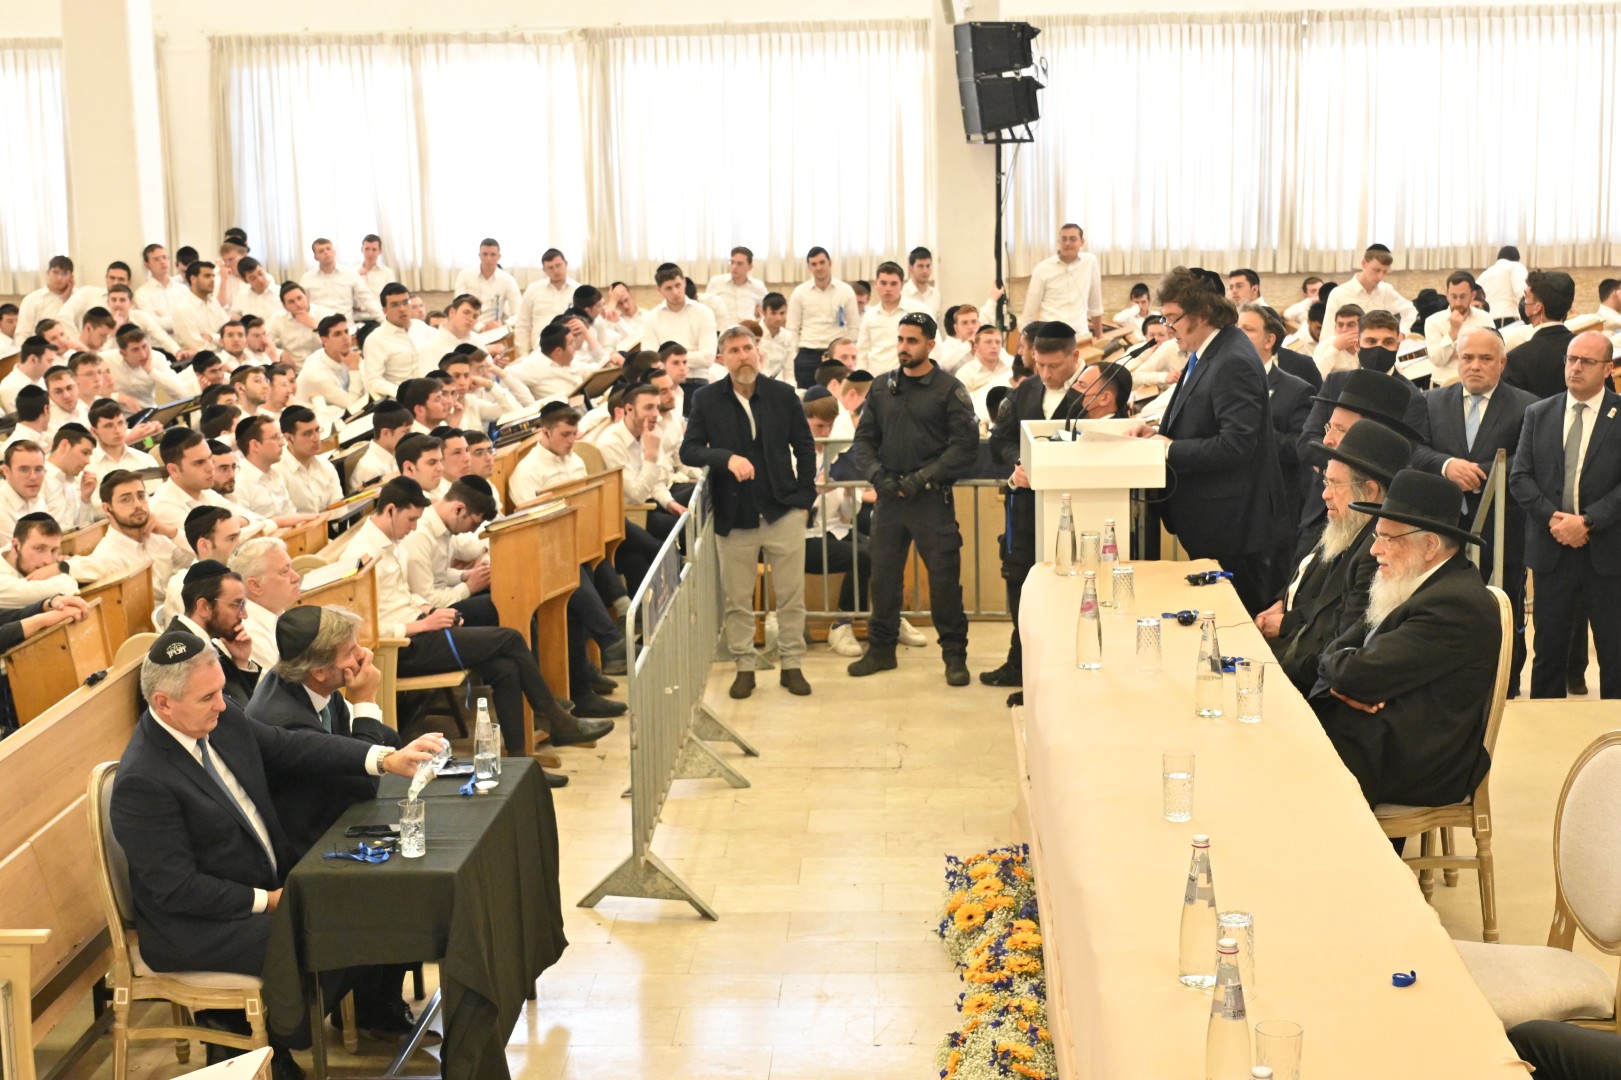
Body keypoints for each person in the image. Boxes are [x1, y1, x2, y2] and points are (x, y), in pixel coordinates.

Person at [111, 629, 444, 1079]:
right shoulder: (143, 779)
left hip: (264, 883)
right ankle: (262, 1042)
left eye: (221, 691)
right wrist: (267, 901)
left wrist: (383, 758)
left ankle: (271, 1030)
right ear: (163, 703)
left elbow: (293, 746)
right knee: (321, 932)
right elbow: (176, 890)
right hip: (195, 924)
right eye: (208, 697)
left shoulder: (221, 718)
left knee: (372, 899)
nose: (222, 705)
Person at [344, 477, 610, 777]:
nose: (414, 528)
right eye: (411, 519)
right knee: (510, 638)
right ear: (391, 510)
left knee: (504, 668)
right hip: (403, 648)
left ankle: (519, 764)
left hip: (423, 627)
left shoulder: (393, 542)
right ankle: (555, 718)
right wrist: (421, 624)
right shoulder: (361, 554)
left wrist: (432, 611)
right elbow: (364, 629)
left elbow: (405, 595)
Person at [1310, 469, 1499, 809]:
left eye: (1387, 538)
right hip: (1382, 736)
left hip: (1415, 761)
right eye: (1376, 536)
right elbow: (1338, 651)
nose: (1374, 550)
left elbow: (1355, 674)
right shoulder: (1412, 579)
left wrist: (1344, 677)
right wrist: (1341, 678)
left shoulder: (1454, 604)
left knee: (1290, 762)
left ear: (1430, 545)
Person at [1128, 267, 1288, 615]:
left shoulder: (1232, 360)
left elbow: (1236, 445)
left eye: (1173, 318)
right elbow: (1199, 422)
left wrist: (1168, 449)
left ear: (1201, 313)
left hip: (1233, 524)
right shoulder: (1210, 352)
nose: (1169, 328)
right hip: (1215, 519)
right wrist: (1157, 435)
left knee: (1239, 622)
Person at [680, 326, 817, 699]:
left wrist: (804, 499)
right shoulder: (707, 399)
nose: (743, 356)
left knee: (791, 596)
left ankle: (792, 664)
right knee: (737, 600)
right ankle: (744, 665)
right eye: (734, 350)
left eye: (747, 348)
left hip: (783, 509)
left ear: (758, 351)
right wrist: (726, 458)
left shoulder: (783, 395)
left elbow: (805, 447)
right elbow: (689, 450)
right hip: (734, 514)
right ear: (722, 358)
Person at [847, 312, 978, 684]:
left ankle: (954, 657)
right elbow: (863, 441)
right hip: (889, 499)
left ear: (930, 345)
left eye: (912, 341)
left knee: (944, 582)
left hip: (931, 500)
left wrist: (923, 478)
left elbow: (964, 447)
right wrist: (878, 477)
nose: (903, 347)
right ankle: (881, 650)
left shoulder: (949, 390)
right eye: (901, 339)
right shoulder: (881, 387)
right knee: (883, 579)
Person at [1410, 328, 1537, 696]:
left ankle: (1505, 685)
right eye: (1468, 358)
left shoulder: (1528, 406)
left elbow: (1531, 460)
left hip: (1503, 531)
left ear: (1502, 363)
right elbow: (1415, 450)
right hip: (1444, 529)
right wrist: (1447, 465)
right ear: (1457, 360)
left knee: (1502, 610)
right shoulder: (1432, 401)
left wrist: (1481, 473)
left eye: (1485, 359)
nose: (1475, 366)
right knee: (1443, 609)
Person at [1256, 420, 1410, 694]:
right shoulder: (1347, 529)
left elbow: (1339, 644)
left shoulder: (1375, 552)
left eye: (1336, 484)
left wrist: (1271, 671)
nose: (1325, 494)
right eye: (1326, 481)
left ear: (1371, 491)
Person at [1509, 331, 1621, 699]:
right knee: (1548, 653)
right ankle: (1547, 728)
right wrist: (1556, 521)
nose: (1575, 368)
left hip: (1607, 552)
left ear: (1607, 368)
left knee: (1615, 654)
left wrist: (1587, 521)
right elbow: (1520, 477)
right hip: (1552, 550)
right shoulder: (1539, 413)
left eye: (1587, 362)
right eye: (1571, 359)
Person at [980, 323, 1087, 701]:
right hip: (1026, 507)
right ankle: (1021, 661)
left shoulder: (1093, 391)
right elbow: (1000, 440)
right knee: (1021, 584)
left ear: (1075, 356)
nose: (1045, 373)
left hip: (1077, 509)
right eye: (1039, 364)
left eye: (1054, 365)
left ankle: (1057, 672)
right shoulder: (1025, 390)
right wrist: (1019, 462)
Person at [1295, 313, 1432, 562]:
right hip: (1319, 508)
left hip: (1371, 513)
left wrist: (1335, 462)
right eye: (1371, 341)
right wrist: (1339, 468)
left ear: (1399, 343)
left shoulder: (1409, 397)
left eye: (1387, 342)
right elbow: (1307, 443)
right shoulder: (1336, 382)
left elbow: (1402, 458)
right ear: (1357, 344)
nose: (1379, 349)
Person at [1237, 303, 1315, 592]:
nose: (1238, 335)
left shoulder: (1296, 390)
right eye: (1236, 328)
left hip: (1272, 512)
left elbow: (1299, 447)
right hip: (1230, 506)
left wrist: (1251, 430)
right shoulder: (1223, 383)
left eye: (1247, 329)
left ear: (1269, 340)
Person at [169, 559, 262, 707]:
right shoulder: (182, 656)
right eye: (237, 605)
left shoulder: (205, 641)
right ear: (204, 607)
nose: (244, 615)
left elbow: (241, 702)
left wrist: (240, 662)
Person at [787, 247, 861, 388]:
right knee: (806, 396)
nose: (819, 267)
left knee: (838, 394)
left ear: (830, 262)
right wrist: (794, 356)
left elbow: (854, 327)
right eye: (814, 264)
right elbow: (792, 328)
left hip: (836, 353)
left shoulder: (846, 291)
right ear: (809, 267)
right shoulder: (799, 293)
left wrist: (844, 352)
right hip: (808, 352)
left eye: (822, 262)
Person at [1020, 223, 1104, 341]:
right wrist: (1022, 347)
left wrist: (1099, 336)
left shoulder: (1090, 262)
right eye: (1064, 239)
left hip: (1080, 335)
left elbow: (1095, 304)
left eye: (1073, 239)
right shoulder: (1042, 269)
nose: (1067, 243)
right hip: (1050, 336)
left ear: (1082, 242)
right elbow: (1029, 313)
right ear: (1059, 242)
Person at [1503, 270, 1578, 399]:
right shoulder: (1588, 350)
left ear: (1537, 307)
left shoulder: (1517, 358)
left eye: (1526, 296)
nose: (1524, 302)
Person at [229, 536, 300, 671]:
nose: (296, 577)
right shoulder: (248, 636)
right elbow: (288, 681)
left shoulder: (278, 612)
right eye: (285, 572)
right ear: (255, 586)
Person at [1321, 244, 1418, 333]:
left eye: (1385, 272)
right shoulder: (1338, 294)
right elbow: (1327, 333)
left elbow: (1410, 310)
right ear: (1364, 264)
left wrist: (1402, 332)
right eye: (1376, 270)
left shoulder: (1386, 290)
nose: (1380, 277)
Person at [856, 262, 925, 375]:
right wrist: (862, 379)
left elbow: (933, 347)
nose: (888, 288)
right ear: (876, 284)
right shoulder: (869, 315)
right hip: (875, 377)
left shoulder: (918, 311)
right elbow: (862, 353)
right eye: (883, 283)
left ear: (902, 285)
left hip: (910, 377)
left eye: (893, 284)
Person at [0, 513, 79, 609]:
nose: (48, 561)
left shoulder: (20, 549)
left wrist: (60, 566)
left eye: (54, 550)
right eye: (39, 549)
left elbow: (92, 563)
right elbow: (66, 585)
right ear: (15, 546)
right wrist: (63, 569)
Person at [301, 238, 381, 328]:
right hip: (318, 328)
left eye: (328, 249)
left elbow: (367, 300)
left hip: (346, 328)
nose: (326, 252)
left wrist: (385, 321)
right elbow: (301, 306)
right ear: (315, 257)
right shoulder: (307, 278)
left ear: (334, 252)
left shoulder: (350, 273)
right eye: (321, 251)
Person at [1423, 271, 1494, 373]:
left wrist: (1456, 353)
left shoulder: (1485, 318)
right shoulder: (1433, 321)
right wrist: (1453, 331)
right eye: (1454, 296)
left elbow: (1492, 353)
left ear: (1472, 295)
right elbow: (1437, 360)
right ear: (1447, 295)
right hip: (1445, 380)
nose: (1458, 303)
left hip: (1477, 377)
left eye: (1463, 297)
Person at [360, 282, 421, 399]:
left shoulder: (422, 328)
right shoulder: (376, 340)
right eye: (395, 305)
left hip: (433, 394)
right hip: (400, 399)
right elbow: (374, 381)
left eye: (405, 302)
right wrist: (404, 393)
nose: (402, 309)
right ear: (384, 310)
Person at [513, 249, 580, 354]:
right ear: (544, 270)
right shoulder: (533, 290)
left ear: (566, 264)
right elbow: (522, 325)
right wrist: (523, 355)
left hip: (572, 350)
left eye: (558, 265)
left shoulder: (578, 290)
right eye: (550, 268)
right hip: (539, 351)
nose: (555, 270)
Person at [452, 238, 522, 330]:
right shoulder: (464, 275)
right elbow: (458, 308)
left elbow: (519, 313)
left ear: (499, 256)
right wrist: (480, 327)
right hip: (467, 327)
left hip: (495, 329)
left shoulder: (508, 280)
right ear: (479, 256)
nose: (488, 258)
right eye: (485, 254)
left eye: (493, 254)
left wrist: (503, 324)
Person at [704, 246, 768, 327]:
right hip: (723, 330)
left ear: (750, 267)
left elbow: (768, 309)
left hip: (748, 330)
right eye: (732, 262)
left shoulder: (758, 286)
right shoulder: (716, 282)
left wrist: (759, 316)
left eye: (739, 264)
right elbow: (705, 308)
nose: (734, 267)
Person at [1477, 245, 1529, 327]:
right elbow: (1523, 293)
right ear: (1517, 259)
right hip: (1507, 320)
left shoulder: (1483, 275)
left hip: (1484, 323)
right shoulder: (1515, 266)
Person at [900, 247, 941, 318]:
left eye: (928, 266)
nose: (925, 271)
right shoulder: (902, 294)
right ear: (910, 268)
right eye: (920, 266)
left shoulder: (936, 295)